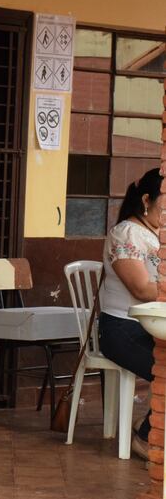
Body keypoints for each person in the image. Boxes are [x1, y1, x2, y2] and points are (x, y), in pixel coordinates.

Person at [99, 167, 161, 460]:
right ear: (146, 200)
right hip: (121, 330)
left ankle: (150, 424)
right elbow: (141, 288)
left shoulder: (154, 234)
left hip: (149, 327)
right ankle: (146, 437)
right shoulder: (126, 233)